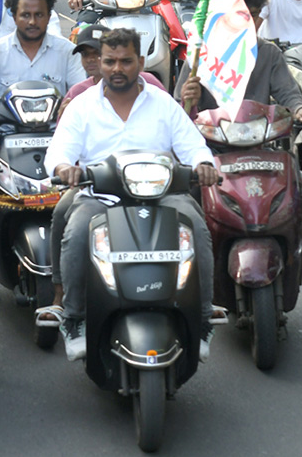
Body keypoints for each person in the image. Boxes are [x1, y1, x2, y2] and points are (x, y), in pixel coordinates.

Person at [44, 27, 217, 362]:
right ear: (99, 62)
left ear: (140, 62)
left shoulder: (163, 103)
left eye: (126, 61)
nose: (117, 68)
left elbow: (193, 146)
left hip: (163, 193)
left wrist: (204, 163)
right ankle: (75, 318)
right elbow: (59, 153)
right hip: (99, 194)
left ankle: (205, 318)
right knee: (77, 231)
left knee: (197, 227)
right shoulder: (82, 106)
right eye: (110, 61)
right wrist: (65, 168)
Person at [180, 0, 302, 119]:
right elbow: (178, 106)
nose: (246, 21)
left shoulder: (268, 53)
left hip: (259, 135)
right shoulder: (201, 52)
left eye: (252, 15)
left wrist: (301, 111)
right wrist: (188, 99)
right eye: (240, 14)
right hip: (210, 136)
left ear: (259, 13)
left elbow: (288, 94)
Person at [0, 0, 85, 95]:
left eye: (39, 15)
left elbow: (79, 97)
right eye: (25, 15)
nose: (32, 22)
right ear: (15, 17)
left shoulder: (69, 53)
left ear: (49, 17)